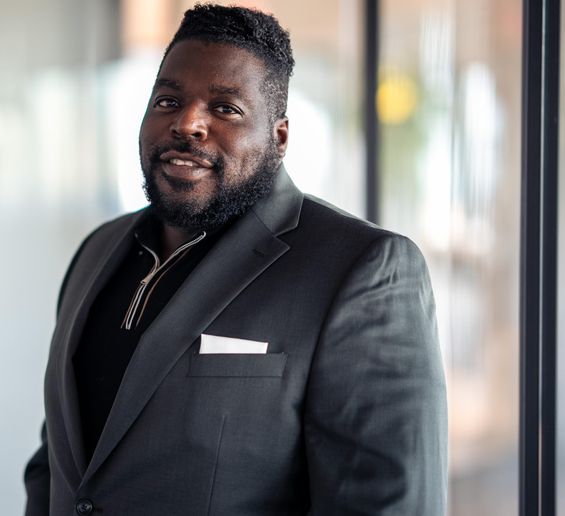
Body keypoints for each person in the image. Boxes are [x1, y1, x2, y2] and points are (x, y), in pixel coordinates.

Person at [23, 4, 447, 515]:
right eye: (167, 99)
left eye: (225, 108)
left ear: (280, 137)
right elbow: (57, 464)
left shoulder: (360, 268)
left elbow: (384, 503)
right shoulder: (97, 251)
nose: (187, 123)